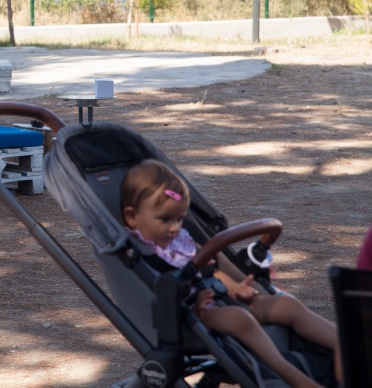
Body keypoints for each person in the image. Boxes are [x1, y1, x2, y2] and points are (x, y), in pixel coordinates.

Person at [121, 159, 340, 388]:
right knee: (239, 318)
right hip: (188, 317)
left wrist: (235, 288)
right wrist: (194, 303)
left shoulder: (178, 241)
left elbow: (209, 271)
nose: (175, 227)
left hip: (218, 300)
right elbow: (152, 294)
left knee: (287, 305)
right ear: (132, 216)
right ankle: (293, 376)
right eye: (165, 219)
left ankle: (347, 350)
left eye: (179, 218)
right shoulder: (139, 252)